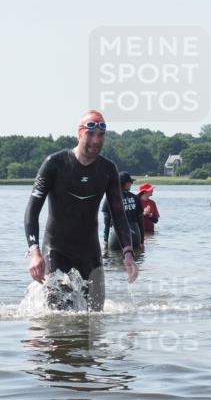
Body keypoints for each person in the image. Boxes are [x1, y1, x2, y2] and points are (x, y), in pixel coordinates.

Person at [25, 110, 139, 310]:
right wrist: (35, 253)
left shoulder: (108, 169)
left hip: (90, 253)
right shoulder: (55, 164)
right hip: (57, 251)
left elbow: (119, 215)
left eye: (101, 135)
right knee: (58, 315)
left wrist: (128, 253)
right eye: (90, 134)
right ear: (79, 133)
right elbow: (31, 212)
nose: (96, 140)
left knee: (95, 316)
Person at [103, 172, 144, 253]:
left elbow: (106, 222)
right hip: (134, 235)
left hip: (117, 235)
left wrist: (105, 241)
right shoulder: (136, 198)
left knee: (114, 261)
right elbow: (141, 222)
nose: (131, 184)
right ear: (126, 184)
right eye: (130, 182)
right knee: (133, 261)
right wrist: (142, 241)